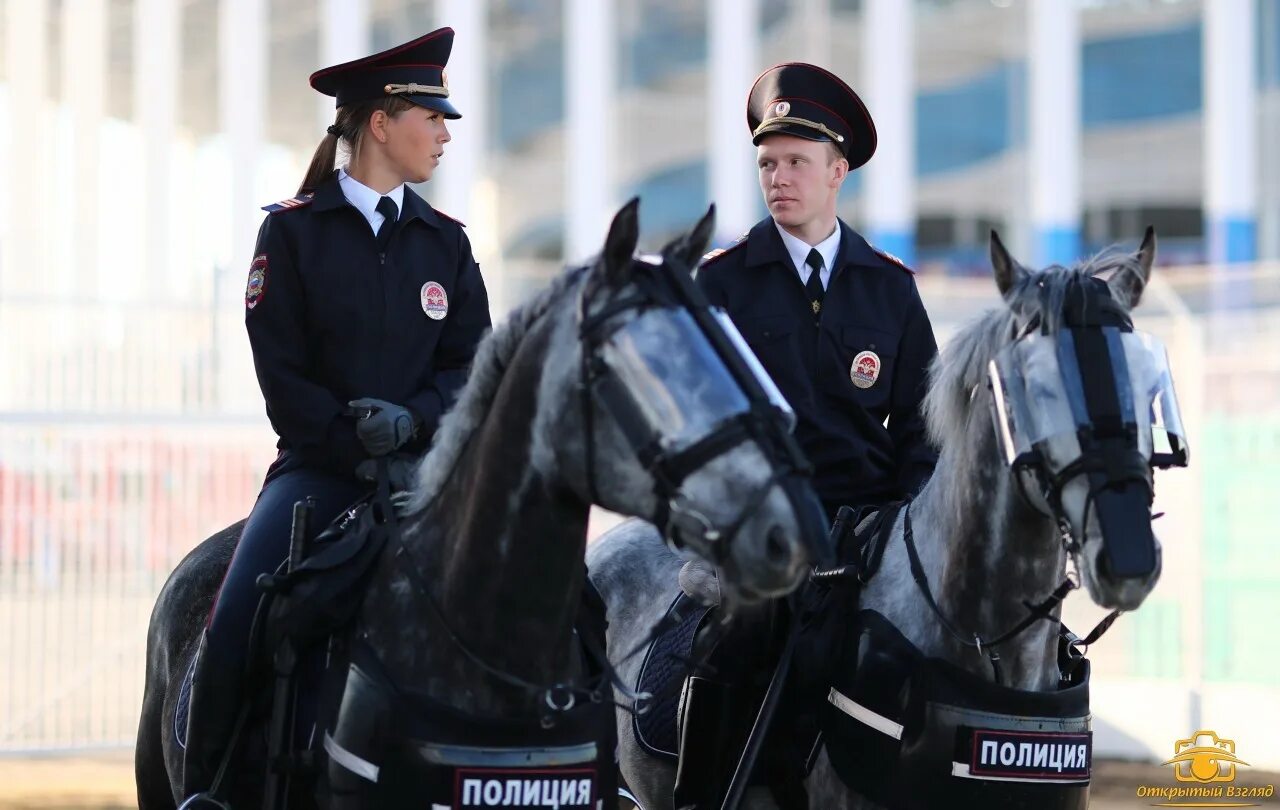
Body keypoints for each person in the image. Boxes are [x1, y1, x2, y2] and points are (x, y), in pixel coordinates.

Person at [181, 27, 491, 803]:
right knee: (233, 621)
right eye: (434, 117)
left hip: (426, 477)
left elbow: (475, 367)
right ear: (382, 122)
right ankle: (206, 789)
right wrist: (353, 442)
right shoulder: (291, 231)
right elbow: (280, 371)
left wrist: (414, 420)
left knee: (555, 599)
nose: (446, 134)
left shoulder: (446, 244)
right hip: (318, 477)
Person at [677, 62, 939, 807]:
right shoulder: (722, 281)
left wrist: (905, 516)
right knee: (736, 639)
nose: (778, 178)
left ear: (837, 171)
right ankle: (707, 795)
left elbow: (924, 426)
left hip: (874, 528)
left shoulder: (888, 286)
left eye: (796, 162)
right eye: (767, 163)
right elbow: (695, 421)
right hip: (760, 529)